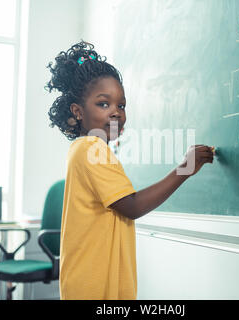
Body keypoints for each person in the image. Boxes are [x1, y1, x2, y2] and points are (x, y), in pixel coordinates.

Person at [46, 40, 215, 300]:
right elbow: (132, 206)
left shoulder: (85, 149)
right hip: (93, 288)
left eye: (121, 105)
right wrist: (185, 168)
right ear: (78, 112)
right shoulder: (91, 148)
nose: (116, 113)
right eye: (104, 104)